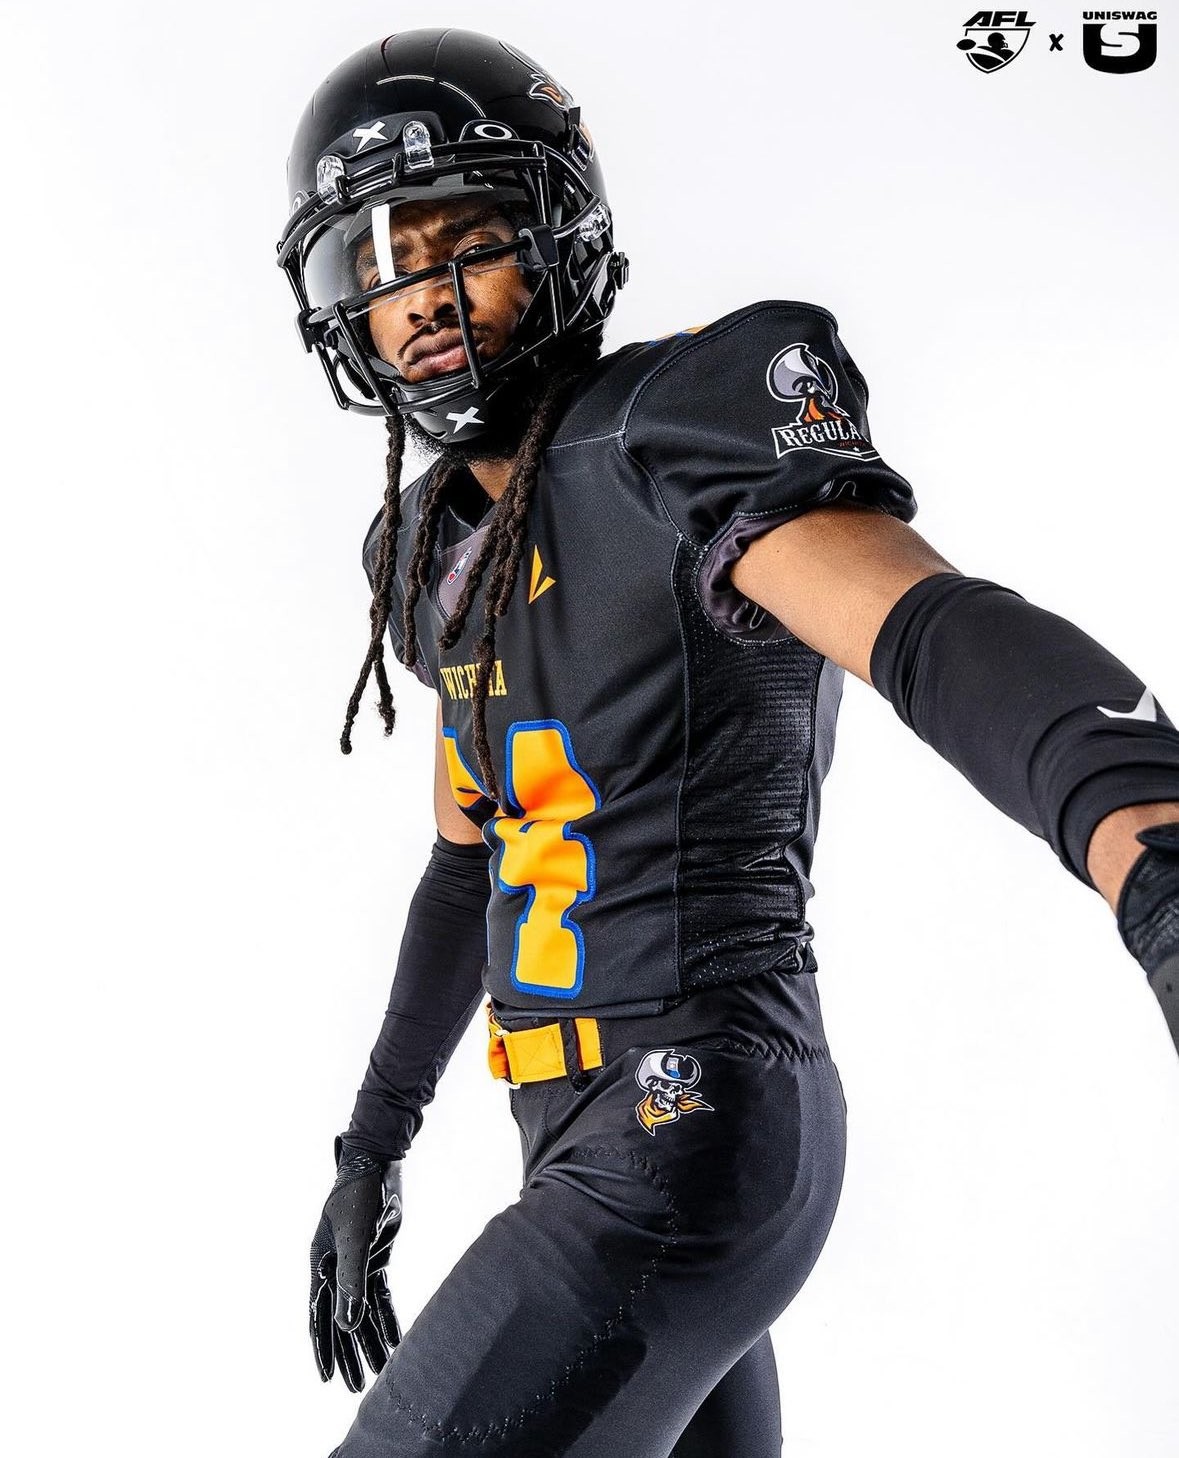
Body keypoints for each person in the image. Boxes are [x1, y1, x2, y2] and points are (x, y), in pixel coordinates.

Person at [276, 27, 1179, 1458]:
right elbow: (469, 862)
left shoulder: (665, 431)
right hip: (583, 1134)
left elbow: (926, 630)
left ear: (558, 243)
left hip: (687, 1123)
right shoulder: (426, 548)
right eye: (381, 262)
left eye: (469, 241)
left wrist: (1149, 847)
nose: (421, 294)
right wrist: (373, 1141)